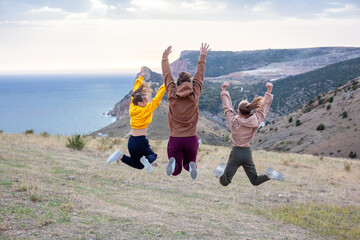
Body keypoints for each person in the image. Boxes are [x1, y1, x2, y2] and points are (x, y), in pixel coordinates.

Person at [215, 81, 284, 186]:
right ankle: (270, 176)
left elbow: (227, 108)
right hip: (247, 153)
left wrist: (224, 90)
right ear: (251, 111)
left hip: (236, 153)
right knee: (254, 180)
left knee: (225, 181)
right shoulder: (256, 120)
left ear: (238, 112)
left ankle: (221, 175)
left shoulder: (234, 122)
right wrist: (269, 91)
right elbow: (263, 109)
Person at [162, 43, 211, 180]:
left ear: (177, 83)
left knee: (176, 169)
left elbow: (167, 76)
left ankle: (173, 163)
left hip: (175, 138)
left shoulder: (172, 94)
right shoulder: (195, 94)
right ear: (191, 83)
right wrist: (202, 56)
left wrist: (165, 58)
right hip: (191, 138)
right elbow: (199, 76)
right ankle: (191, 165)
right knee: (189, 162)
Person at [106, 67, 166, 173]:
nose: (147, 103)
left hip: (132, 141)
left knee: (138, 165)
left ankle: (120, 156)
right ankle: (147, 160)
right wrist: (165, 85)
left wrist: (140, 78)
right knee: (153, 155)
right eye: (146, 101)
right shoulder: (145, 110)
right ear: (141, 103)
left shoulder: (132, 107)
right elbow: (157, 99)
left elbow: (134, 92)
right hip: (140, 141)